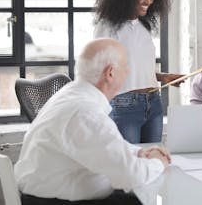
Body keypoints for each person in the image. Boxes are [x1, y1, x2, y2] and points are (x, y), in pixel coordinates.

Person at [14, 38, 171, 205]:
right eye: (125, 66)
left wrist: (139, 153)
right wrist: (159, 162)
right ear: (110, 73)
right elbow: (131, 176)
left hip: (44, 195)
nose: (128, 72)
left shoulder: (71, 94)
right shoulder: (86, 113)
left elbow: (107, 148)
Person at [93, 0, 183, 143]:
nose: (147, 1)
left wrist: (163, 77)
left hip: (153, 103)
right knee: (130, 164)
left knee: (151, 162)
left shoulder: (143, 27)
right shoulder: (107, 26)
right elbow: (99, 70)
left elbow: (135, 67)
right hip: (125, 104)